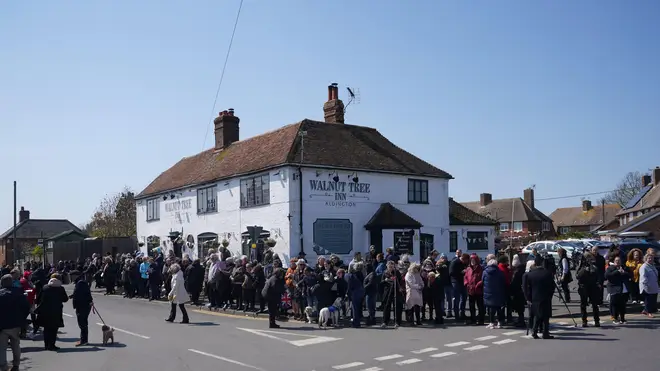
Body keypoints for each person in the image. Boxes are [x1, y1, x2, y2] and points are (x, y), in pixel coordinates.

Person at [0, 274, 30, 371]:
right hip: (16, 323)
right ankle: (16, 365)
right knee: (16, 345)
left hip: (2, 325)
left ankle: (3, 366)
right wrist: (22, 318)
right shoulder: (18, 293)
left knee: (2, 348)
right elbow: (26, 307)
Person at [523, 255, 555, 339]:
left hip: (534, 298)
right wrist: (550, 295)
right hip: (546, 297)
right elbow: (552, 287)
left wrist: (528, 298)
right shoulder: (547, 273)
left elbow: (526, 288)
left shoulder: (530, 274)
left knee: (537, 315)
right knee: (545, 316)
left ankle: (534, 331)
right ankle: (545, 332)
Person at [36, 273, 69, 351]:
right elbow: (65, 299)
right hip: (56, 311)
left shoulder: (45, 287)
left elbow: (38, 299)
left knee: (46, 328)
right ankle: (52, 345)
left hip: (46, 311)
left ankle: (46, 345)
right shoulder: (60, 289)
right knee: (54, 329)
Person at [576, 252, 601, 327]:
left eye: (590, 257)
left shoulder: (593, 266)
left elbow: (597, 274)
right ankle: (584, 321)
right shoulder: (581, 265)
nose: (589, 259)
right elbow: (578, 276)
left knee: (594, 304)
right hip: (584, 287)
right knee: (583, 304)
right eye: (587, 257)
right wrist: (584, 270)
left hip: (592, 286)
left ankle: (597, 321)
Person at [605, 256, 630, 324]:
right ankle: (615, 318)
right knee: (614, 304)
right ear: (614, 261)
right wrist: (617, 272)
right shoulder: (610, 268)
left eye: (619, 260)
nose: (618, 262)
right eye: (616, 261)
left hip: (623, 289)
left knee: (622, 304)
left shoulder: (624, 267)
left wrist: (623, 272)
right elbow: (607, 276)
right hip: (613, 288)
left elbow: (630, 275)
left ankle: (622, 318)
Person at [483, 258, 506, 329]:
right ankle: (499, 322)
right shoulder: (500, 272)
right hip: (498, 291)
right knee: (499, 308)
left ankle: (491, 323)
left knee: (491, 308)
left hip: (488, 292)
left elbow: (482, 280)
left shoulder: (485, 272)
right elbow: (503, 282)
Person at [71, 273, 93, 346]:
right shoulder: (80, 282)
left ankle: (83, 340)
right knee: (83, 323)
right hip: (84, 305)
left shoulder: (81, 283)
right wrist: (71, 296)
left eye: (72, 276)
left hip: (83, 305)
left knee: (82, 323)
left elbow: (79, 294)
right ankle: (84, 340)